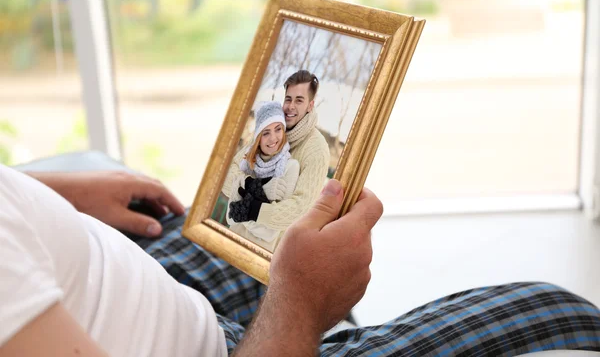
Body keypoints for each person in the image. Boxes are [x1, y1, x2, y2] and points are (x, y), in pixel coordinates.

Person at [3, 165, 600, 356]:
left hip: (115, 285)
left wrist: (52, 190)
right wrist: (300, 305)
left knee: (239, 216)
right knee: (559, 313)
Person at [222, 70, 330, 231]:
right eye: (288, 99)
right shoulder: (271, 127)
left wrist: (252, 210)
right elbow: (226, 175)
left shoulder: (317, 149)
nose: (291, 107)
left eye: (299, 100)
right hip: (237, 230)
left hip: (274, 246)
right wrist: (256, 187)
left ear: (310, 105)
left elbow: (301, 210)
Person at [226, 101, 300, 251]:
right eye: (266, 133)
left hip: (259, 252)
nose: (273, 138)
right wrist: (262, 189)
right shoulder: (247, 163)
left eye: (278, 129)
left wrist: (241, 208)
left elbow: (269, 232)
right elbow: (230, 217)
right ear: (258, 137)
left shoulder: (290, 167)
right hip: (230, 240)